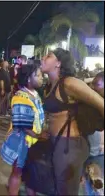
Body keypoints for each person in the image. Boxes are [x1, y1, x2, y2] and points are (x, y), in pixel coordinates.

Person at [41, 48, 104, 195]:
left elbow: (101, 104)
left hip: (70, 146)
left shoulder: (69, 83)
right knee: (59, 187)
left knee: (66, 191)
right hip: (59, 144)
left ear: (58, 63)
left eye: (49, 56)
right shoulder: (51, 85)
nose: (43, 58)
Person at [0, 64, 48, 195]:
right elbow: (24, 127)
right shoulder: (21, 97)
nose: (42, 78)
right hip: (21, 142)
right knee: (17, 172)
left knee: (25, 173)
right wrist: (39, 136)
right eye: (38, 75)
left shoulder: (35, 94)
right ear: (28, 79)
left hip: (31, 141)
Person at [83, 71, 104, 195]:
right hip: (91, 152)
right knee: (90, 186)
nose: (92, 87)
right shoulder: (92, 102)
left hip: (98, 154)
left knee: (98, 188)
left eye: (97, 84)